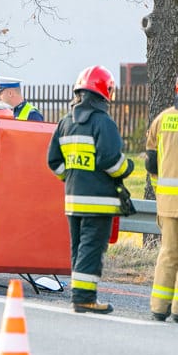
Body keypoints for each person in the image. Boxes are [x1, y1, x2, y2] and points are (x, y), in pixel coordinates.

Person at [47, 65, 134, 314]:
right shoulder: (103, 122)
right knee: (91, 249)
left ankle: (79, 295)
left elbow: (53, 161)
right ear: (105, 92)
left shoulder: (65, 122)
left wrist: (72, 177)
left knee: (79, 249)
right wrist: (127, 168)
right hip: (99, 201)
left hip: (73, 199)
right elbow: (110, 161)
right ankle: (84, 299)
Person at [144, 79, 178, 322]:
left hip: (167, 202)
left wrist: (159, 191)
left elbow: (150, 162)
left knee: (168, 252)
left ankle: (159, 307)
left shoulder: (163, 119)